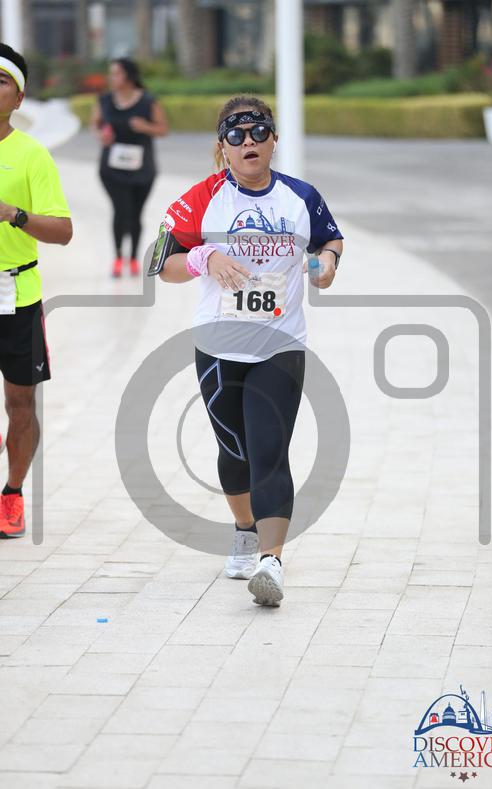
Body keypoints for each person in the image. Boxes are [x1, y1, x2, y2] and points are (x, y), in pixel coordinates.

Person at [152, 95, 343, 607]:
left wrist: (326, 263)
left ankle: (271, 561)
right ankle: (243, 528)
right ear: (223, 148)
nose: (249, 143)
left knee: (268, 450)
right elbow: (162, 264)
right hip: (218, 345)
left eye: (259, 132)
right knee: (234, 453)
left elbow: (330, 241)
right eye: (236, 136)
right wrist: (204, 259)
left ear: (273, 139)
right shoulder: (202, 199)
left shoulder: (300, 197)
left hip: (281, 344)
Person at [0, 43, 72, 538]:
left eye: (1, 81)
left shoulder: (32, 155)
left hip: (16, 294)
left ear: (19, 97)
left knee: (20, 404)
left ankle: (12, 494)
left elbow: (63, 231)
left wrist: (14, 215)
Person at [91, 58, 168, 278]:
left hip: (142, 169)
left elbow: (163, 129)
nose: (112, 78)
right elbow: (95, 124)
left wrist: (145, 127)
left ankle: (133, 257)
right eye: (111, 73)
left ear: (129, 76)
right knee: (120, 210)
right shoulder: (104, 100)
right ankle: (117, 257)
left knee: (135, 214)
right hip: (112, 168)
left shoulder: (148, 101)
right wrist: (101, 135)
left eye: (116, 73)